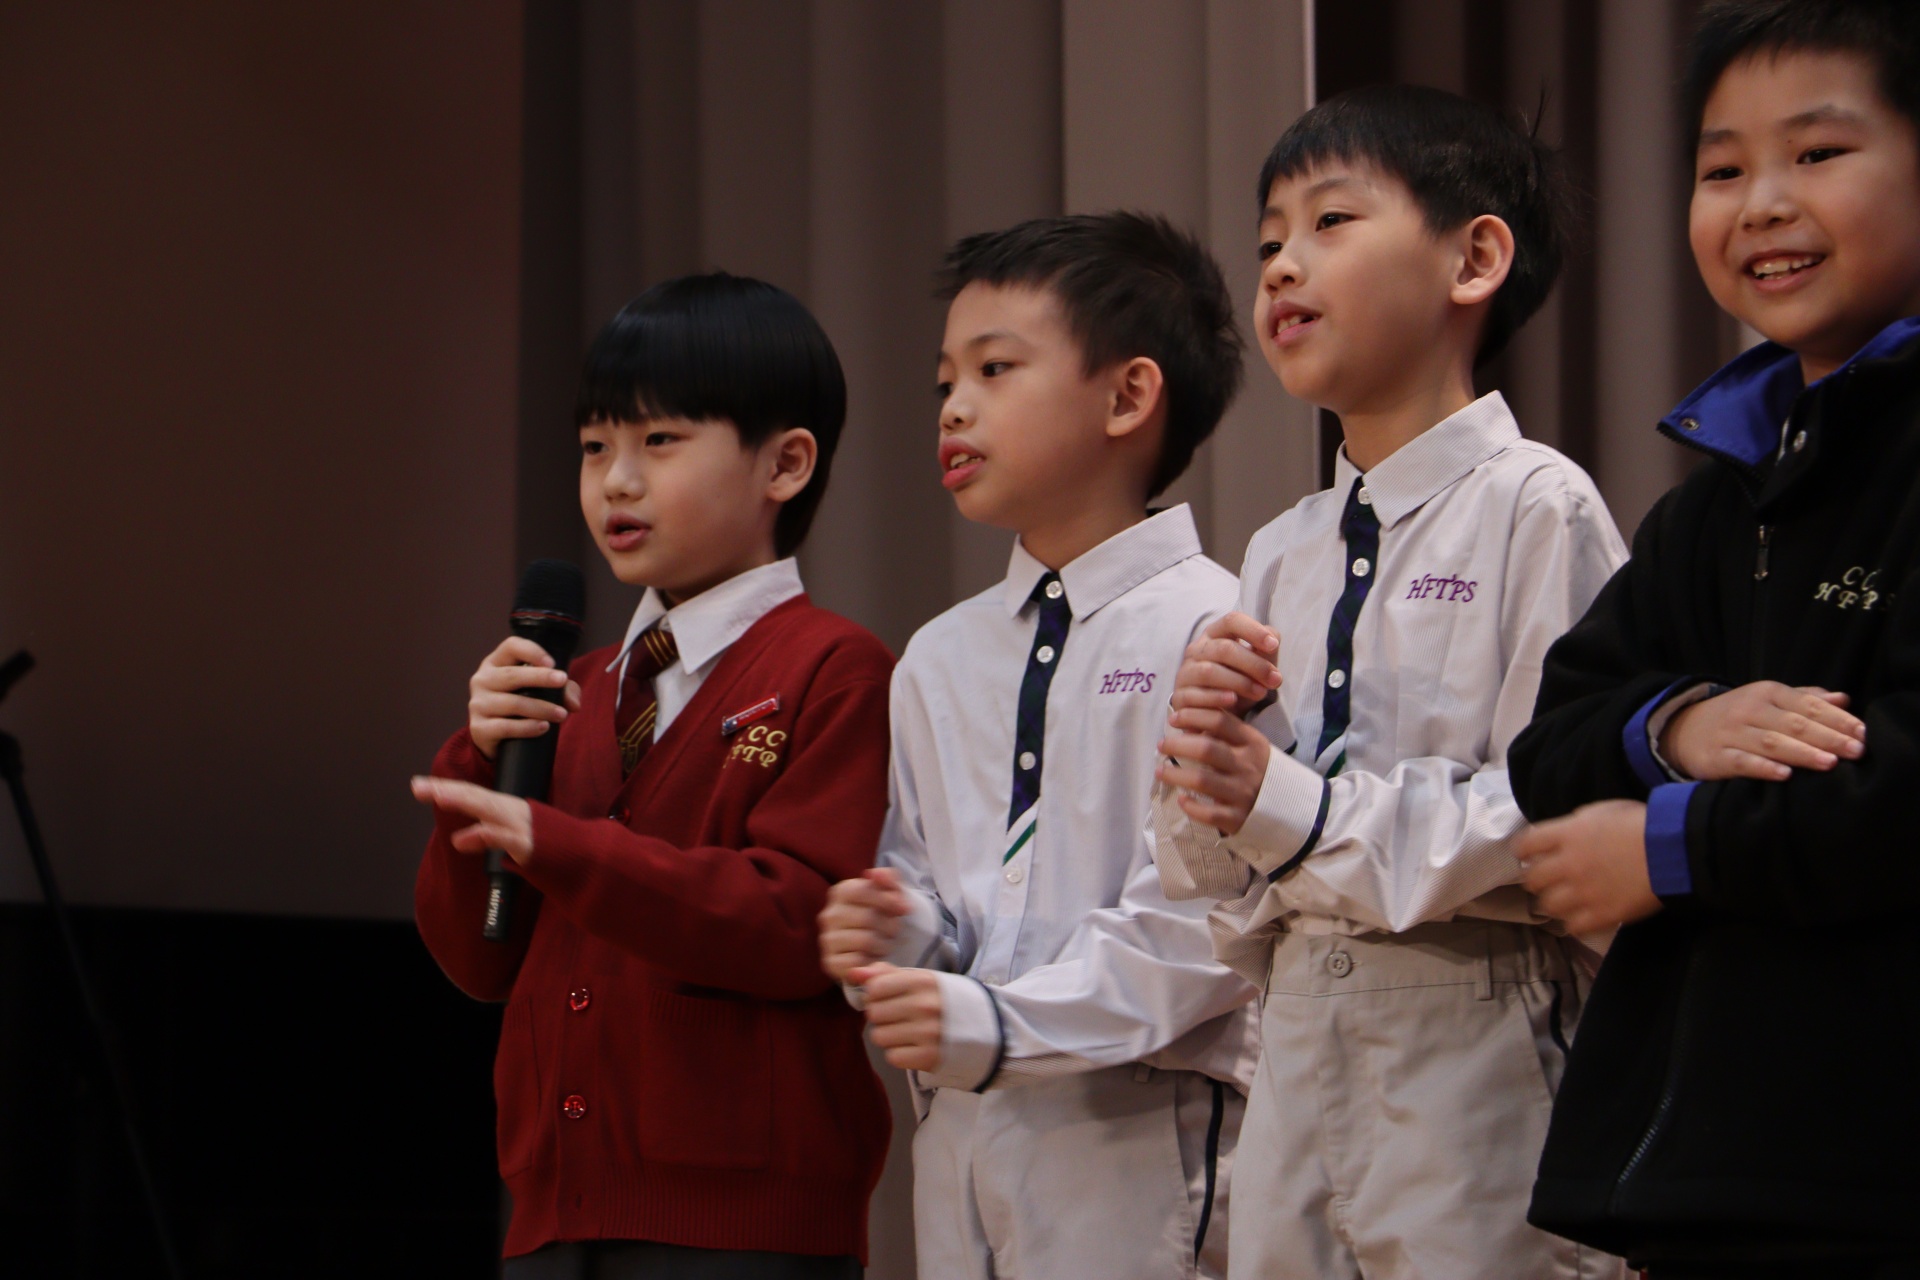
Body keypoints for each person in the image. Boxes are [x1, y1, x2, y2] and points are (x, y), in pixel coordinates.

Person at [1148, 85, 1629, 1280]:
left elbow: (1553, 810)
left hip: (1478, 1028)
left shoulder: (1538, 503)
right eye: (1269, 239)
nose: (1282, 265)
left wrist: (1285, 803)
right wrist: (1200, 765)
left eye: (1330, 221)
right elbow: (1215, 871)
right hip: (1298, 1027)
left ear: (1474, 259)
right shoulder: (1282, 547)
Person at [1509, 2, 1920, 1274]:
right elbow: (1551, 745)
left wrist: (1669, 846)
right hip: (1713, 1178)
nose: (1763, 204)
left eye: (1819, 152)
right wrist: (1678, 725)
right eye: (1723, 168)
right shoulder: (1711, 506)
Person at [410, 274, 893, 1279]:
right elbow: (481, 960)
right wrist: (481, 761)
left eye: (658, 440)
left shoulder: (834, 668)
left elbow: (796, 922)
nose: (615, 482)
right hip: (553, 1214)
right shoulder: (574, 690)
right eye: (595, 447)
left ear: (786, 463)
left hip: (745, 1231)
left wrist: (561, 844)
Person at [816, 212, 1259, 1280]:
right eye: (944, 381)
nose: (954, 406)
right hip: (963, 1142)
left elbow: (1206, 928)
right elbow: (935, 884)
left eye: (995, 368)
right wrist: (898, 929)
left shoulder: (1217, 626)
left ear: (1128, 395)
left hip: (1137, 1140)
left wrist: (1001, 1024)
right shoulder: (939, 656)